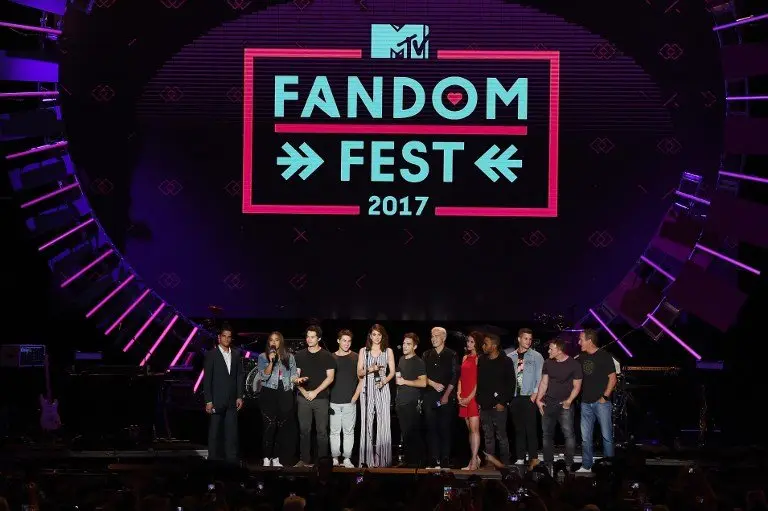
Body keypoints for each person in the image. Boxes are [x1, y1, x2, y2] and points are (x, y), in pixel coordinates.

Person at [536, 339, 582, 470]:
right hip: (548, 403)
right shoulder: (548, 362)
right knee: (547, 435)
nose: (548, 351)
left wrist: (568, 401)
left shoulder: (574, 364)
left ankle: (568, 463)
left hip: (564, 405)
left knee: (568, 434)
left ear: (559, 350)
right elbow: (544, 383)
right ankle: (548, 463)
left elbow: (577, 386)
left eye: (551, 349)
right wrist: (539, 400)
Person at [576, 329, 617, 473]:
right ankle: (587, 465)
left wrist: (604, 397)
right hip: (585, 403)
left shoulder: (604, 356)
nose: (579, 342)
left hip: (602, 403)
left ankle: (609, 466)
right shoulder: (581, 357)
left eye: (581, 339)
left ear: (589, 341)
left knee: (606, 436)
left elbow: (613, 379)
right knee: (586, 438)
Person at [294, 325, 336, 467]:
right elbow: (295, 376)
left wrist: (315, 392)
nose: (309, 339)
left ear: (318, 338)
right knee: (304, 431)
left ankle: (322, 462)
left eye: (312, 337)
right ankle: (304, 460)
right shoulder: (299, 355)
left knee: (322, 432)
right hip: (303, 398)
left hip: (321, 399)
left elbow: (330, 377)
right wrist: (305, 392)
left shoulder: (327, 356)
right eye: (307, 336)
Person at [203, 323, 245, 464]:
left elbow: (239, 376)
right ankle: (213, 461)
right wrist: (208, 400)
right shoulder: (211, 355)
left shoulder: (236, 354)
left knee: (232, 433)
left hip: (232, 400)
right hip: (216, 400)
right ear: (219, 338)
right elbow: (207, 379)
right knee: (215, 432)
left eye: (229, 337)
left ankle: (232, 462)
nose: (226, 339)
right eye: (224, 336)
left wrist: (240, 395)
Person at [257, 331, 299, 467]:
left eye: (276, 340)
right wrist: (271, 361)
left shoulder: (289, 357)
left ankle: (275, 457)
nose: (274, 342)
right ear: (269, 342)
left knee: (281, 428)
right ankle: (266, 457)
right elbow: (263, 377)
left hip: (285, 393)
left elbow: (293, 376)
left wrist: (298, 380)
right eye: (271, 340)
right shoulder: (263, 357)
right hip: (269, 393)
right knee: (269, 426)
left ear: (280, 342)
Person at [357, 324, 396, 467]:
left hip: (383, 387)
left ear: (383, 336)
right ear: (370, 336)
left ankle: (383, 461)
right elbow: (359, 372)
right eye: (374, 334)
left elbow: (392, 372)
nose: (377, 337)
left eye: (379, 335)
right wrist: (371, 368)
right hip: (367, 388)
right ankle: (366, 461)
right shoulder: (363, 351)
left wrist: (384, 381)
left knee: (384, 423)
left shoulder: (388, 351)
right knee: (366, 423)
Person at [505, 327, 544, 465]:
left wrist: (535, 393)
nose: (528, 341)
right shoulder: (510, 357)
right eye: (525, 338)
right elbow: (507, 378)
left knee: (531, 429)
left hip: (529, 396)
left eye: (530, 339)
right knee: (518, 429)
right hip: (515, 397)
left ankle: (533, 457)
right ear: (519, 339)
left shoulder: (537, 356)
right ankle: (520, 457)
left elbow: (540, 377)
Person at [422, 326, 459, 469]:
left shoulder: (452, 354)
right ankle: (433, 458)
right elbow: (422, 375)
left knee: (444, 427)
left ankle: (444, 458)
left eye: (436, 335)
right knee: (431, 428)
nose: (433, 338)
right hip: (429, 395)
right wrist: (433, 384)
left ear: (443, 338)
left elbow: (454, 376)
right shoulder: (426, 354)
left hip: (446, 396)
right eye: (432, 335)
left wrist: (446, 395)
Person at [477, 333, 515, 466]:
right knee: (488, 436)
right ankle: (490, 463)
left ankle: (505, 463)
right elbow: (479, 382)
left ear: (493, 346)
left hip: (499, 405)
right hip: (485, 405)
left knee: (501, 436)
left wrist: (502, 402)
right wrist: (479, 401)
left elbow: (511, 384)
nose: (483, 346)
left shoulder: (506, 361)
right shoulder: (481, 360)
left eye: (486, 343)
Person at [330, 329, 363, 468]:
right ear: (338, 341)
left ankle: (347, 458)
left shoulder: (356, 357)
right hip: (334, 401)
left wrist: (355, 396)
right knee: (334, 431)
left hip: (350, 401)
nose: (346, 343)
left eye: (349, 341)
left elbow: (362, 378)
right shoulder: (331, 357)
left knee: (349, 432)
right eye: (344, 340)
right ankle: (335, 458)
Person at [395, 332, 427, 467]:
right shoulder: (401, 359)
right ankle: (409, 462)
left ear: (415, 346)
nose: (405, 346)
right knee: (405, 433)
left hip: (412, 402)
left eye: (408, 344)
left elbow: (423, 383)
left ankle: (419, 462)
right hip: (400, 402)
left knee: (413, 434)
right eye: (404, 343)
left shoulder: (418, 362)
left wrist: (404, 381)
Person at [458, 331, 482, 470]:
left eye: (472, 342)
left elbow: (478, 381)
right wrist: (459, 394)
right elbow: (461, 378)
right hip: (464, 397)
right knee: (469, 430)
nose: (469, 344)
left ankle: (473, 461)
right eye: (468, 341)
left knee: (474, 429)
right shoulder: (465, 357)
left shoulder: (478, 358)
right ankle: (476, 458)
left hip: (473, 398)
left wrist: (469, 398)